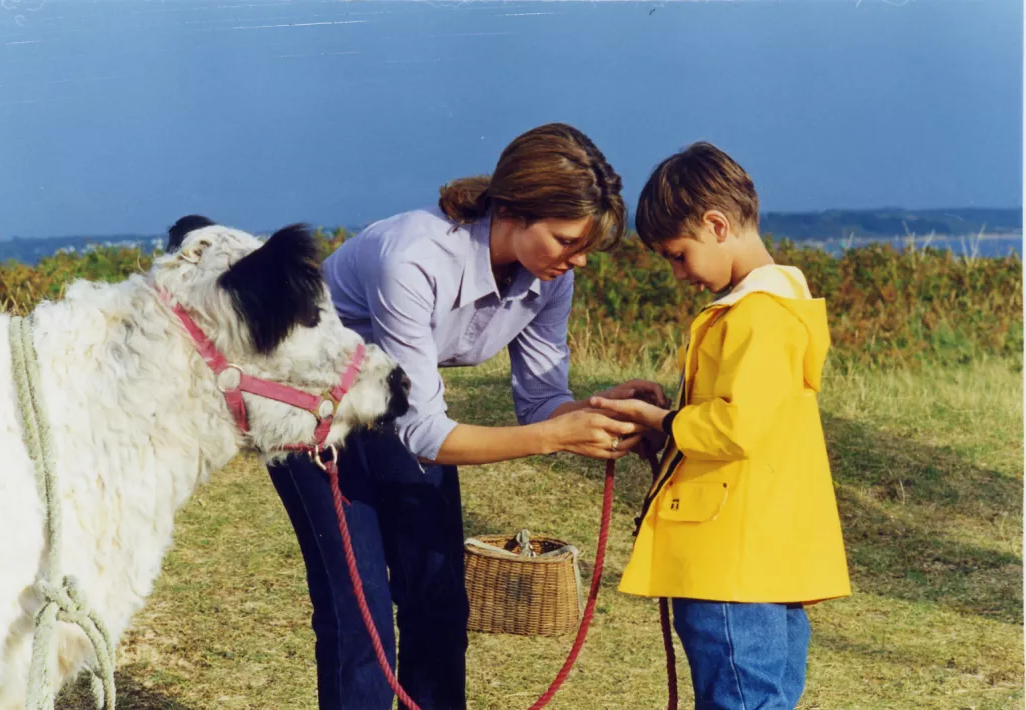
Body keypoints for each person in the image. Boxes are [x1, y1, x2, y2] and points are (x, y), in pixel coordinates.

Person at [267, 122, 665, 710]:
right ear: (513, 210)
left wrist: (599, 410)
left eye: (585, 246)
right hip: (311, 413)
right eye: (565, 240)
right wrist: (555, 436)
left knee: (439, 600)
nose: (577, 260)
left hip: (397, 405)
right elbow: (427, 435)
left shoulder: (550, 279)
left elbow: (540, 401)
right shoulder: (412, 257)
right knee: (359, 615)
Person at [590, 142, 851, 709]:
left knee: (740, 697)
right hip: (765, 554)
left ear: (716, 225)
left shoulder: (758, 316)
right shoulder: (779, 306)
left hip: (730, 563)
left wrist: (662, 419)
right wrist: (665, 427)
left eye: (678, 255)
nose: (678, 273)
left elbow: (735, 428)